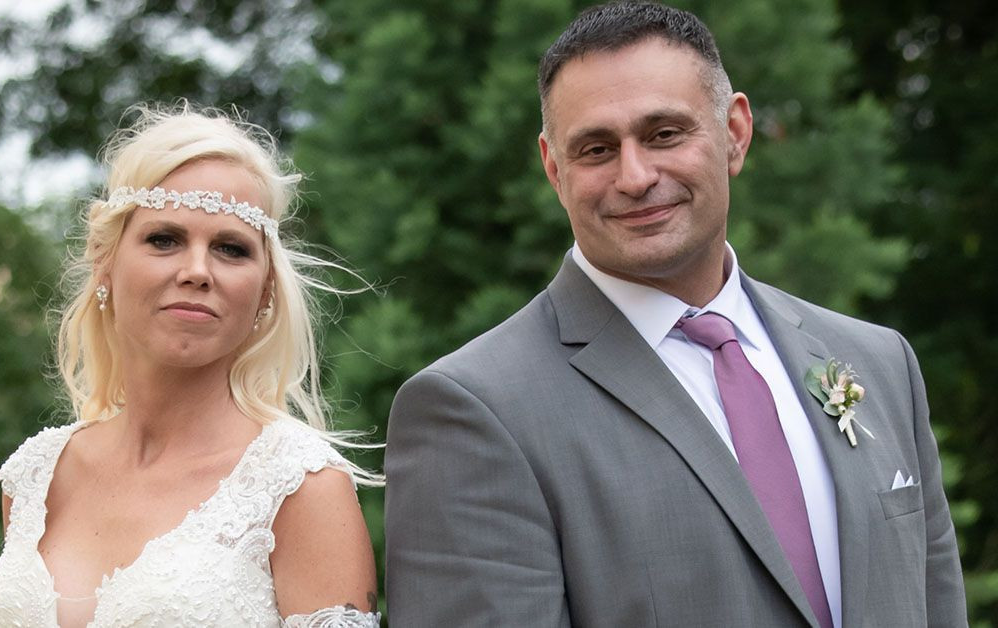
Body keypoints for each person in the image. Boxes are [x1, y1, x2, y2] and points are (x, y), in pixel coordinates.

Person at [384, 2, 968, 626]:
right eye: (596, 149)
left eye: (664, 134)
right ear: (554, 169)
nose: (635, 176)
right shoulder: (475, 410)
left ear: (735, 133)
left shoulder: (879, 363)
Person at [0, 104, 381, 627]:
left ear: (265, 288)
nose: (197, 271)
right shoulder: (36, 477)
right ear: (104, 260)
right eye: (164, 239)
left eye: (230, 249)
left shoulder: (301, 487)